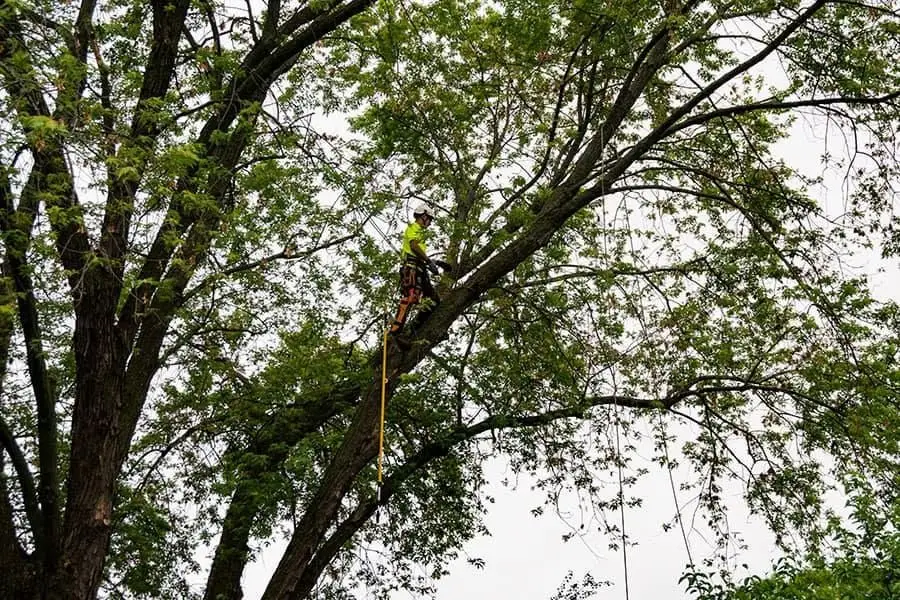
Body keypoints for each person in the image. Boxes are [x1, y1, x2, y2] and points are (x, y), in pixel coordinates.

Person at [389, 204, 450, 341]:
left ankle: (412, 331)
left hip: (420, 269)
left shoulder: (422, 233)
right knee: (411, 297)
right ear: (423, 216)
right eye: (429, 219)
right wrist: (429, 262)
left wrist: (436, 262)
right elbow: (413, 246)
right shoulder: (414, 227)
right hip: (411, 269)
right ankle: (394, 332)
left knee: (433, 301)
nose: (430, 222)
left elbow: (420, 254)